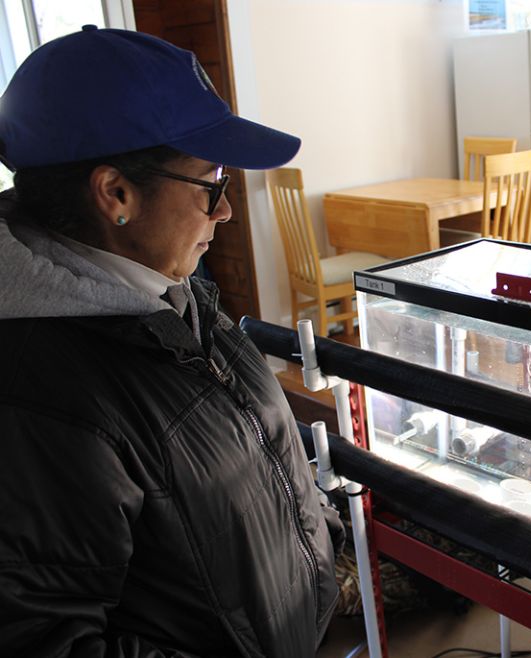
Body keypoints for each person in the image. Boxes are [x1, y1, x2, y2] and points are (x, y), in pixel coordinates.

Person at [0, 26, 344, 657]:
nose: (226, 211)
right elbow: (47, 640)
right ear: (117, 194)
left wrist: (318, 539)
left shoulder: (162, 286)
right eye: (212, 183)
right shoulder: (40, 398)